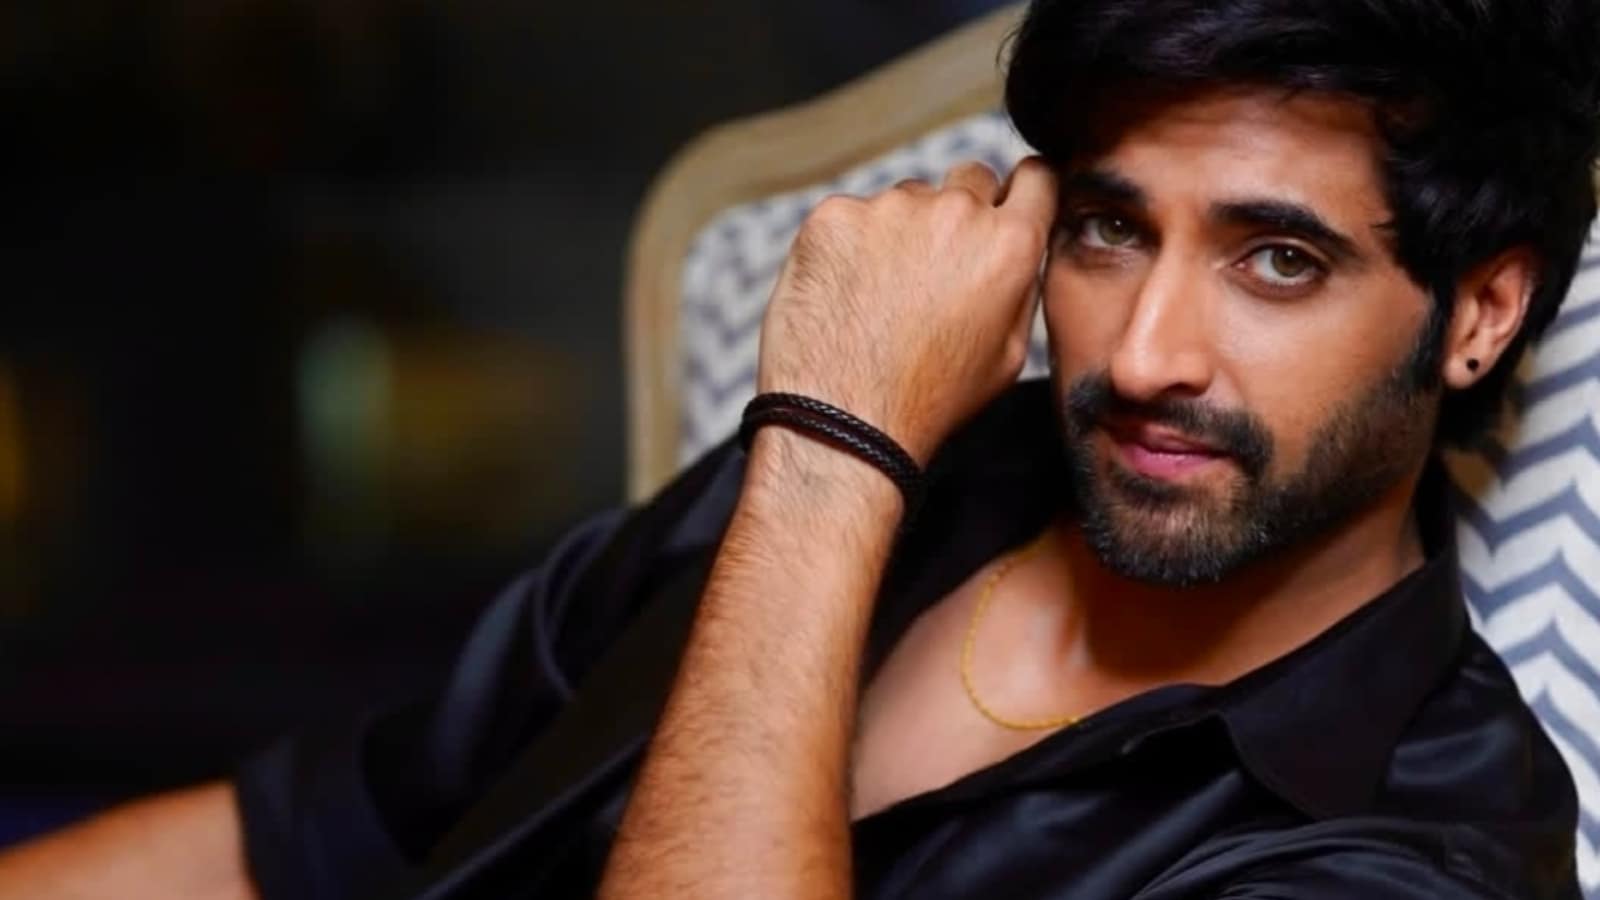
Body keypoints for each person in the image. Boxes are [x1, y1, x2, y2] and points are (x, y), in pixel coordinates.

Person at [5, 0, 1599, 896]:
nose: (1142, 355)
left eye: (1279, 262)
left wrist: (835, 448)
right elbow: (298, 841)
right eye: (1110, 229)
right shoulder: (889, 478)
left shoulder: (1419, 845)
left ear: (1479, 313)